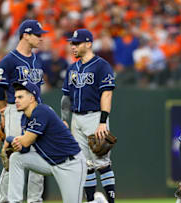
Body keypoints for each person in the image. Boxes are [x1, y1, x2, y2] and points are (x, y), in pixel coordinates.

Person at [3, 81, 87, 203]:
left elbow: (26, 141)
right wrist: (16, 144)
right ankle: (14, 201)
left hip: (71, 163)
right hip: (49, 163)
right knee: (17, 158)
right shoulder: (24, 118)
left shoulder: (41, 111)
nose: (16, 100)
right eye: (15, 97)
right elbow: (24, 148)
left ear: (32, 98)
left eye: (20, 97)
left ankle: (98, 201)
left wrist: (9, 139)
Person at [0, 19, 47, 203]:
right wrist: (4, 112)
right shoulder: (8, 61)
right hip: (14, 112)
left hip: (36, 112)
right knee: (13, 157)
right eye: (37, 34)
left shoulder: (37, 60)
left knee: (37, 158)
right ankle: (6, 200)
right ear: (25, 35)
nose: (41, 38)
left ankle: (34, 200)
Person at [61, 29, 116, 203]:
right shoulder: (72, 68)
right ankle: (91, 200)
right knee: (84, 164)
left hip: (95, 116)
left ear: (89, 43)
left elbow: (107, 94)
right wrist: (64, 119)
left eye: (77, 43)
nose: (73, 46)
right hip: (76, 118)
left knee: (102, 162)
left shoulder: (101, 65)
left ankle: (111, 200)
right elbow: (65, 97)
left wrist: (102, 122)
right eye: (72, 43)